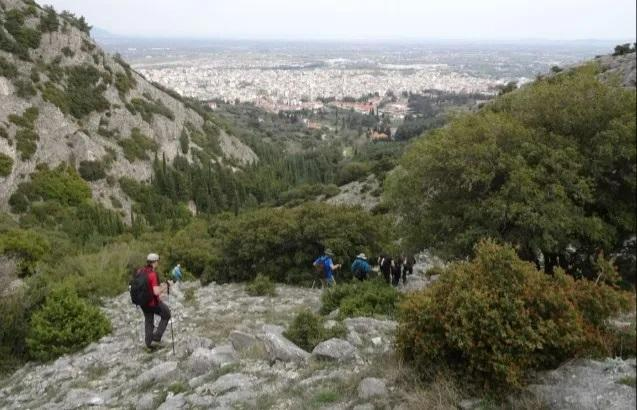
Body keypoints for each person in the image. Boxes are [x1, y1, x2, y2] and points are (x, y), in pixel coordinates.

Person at [139, 253, 171, 351]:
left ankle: (149, 344)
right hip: (152, 303)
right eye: (157, 261)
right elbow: (156, 292)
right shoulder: (153, 274)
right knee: (166, 313)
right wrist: (166, 286)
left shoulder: (140, 271)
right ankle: (156, 338)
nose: (158, 263)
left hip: (142, 302)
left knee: (149, 320)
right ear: (155, 262)